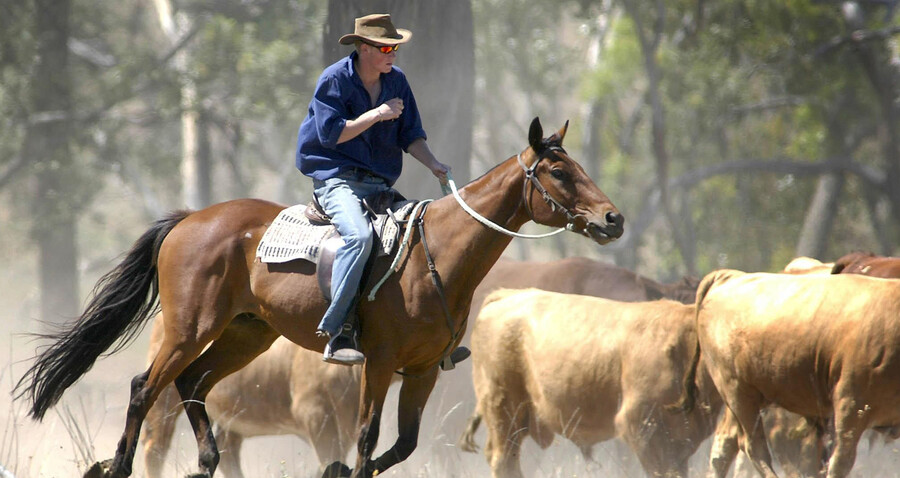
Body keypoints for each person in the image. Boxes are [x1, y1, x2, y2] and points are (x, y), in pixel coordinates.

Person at [295, 13, 451, 365]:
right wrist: (378, 114)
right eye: (385, 47)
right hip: (335, 179)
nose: (392, 53)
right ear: (363, 48)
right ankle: (338, 331)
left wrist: (434, 164)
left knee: (421, 238)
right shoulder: (334, 79)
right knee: (360, 239)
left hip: (378, 184)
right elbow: (331, 134)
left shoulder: (397, 81)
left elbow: (411, 135)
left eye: (395, 47)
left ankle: (430, 337)